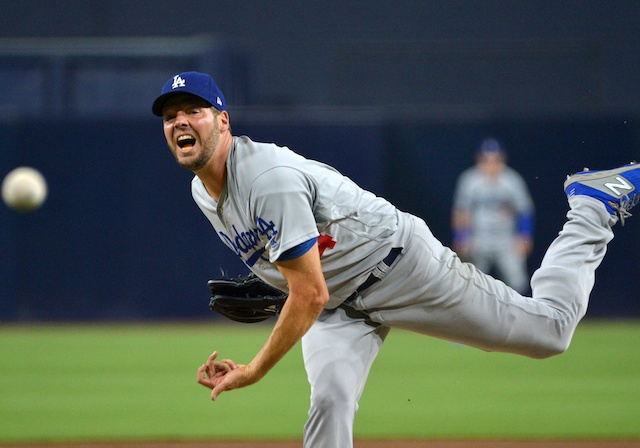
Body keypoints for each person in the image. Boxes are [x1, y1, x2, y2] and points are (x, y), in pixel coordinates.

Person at [152, 71, 639, 448]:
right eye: (170, 116)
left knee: (550, 332)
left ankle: (593, 206)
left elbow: (310, 292)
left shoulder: (266, 178)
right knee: (330, 400)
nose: (180, 122)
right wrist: (283, 283)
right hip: (339, 305)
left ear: (222, 120)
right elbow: (305, 272)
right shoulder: (202, 190)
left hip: (402, 267)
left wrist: (254, 368)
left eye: (192, 110)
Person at [452, 138, 535, 293]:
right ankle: (474, 316)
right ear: (479, 159)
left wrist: (524, 236)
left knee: (517, 282)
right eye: (486, 159)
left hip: (506, 240)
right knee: (472, 282)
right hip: (479, 239)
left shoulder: (512, 180)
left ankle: (518, 316)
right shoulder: (470, 180)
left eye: (495, 159)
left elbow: (524, 211)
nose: (491, 163)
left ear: (502, 158)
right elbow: (461, 212)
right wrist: (461, 237)